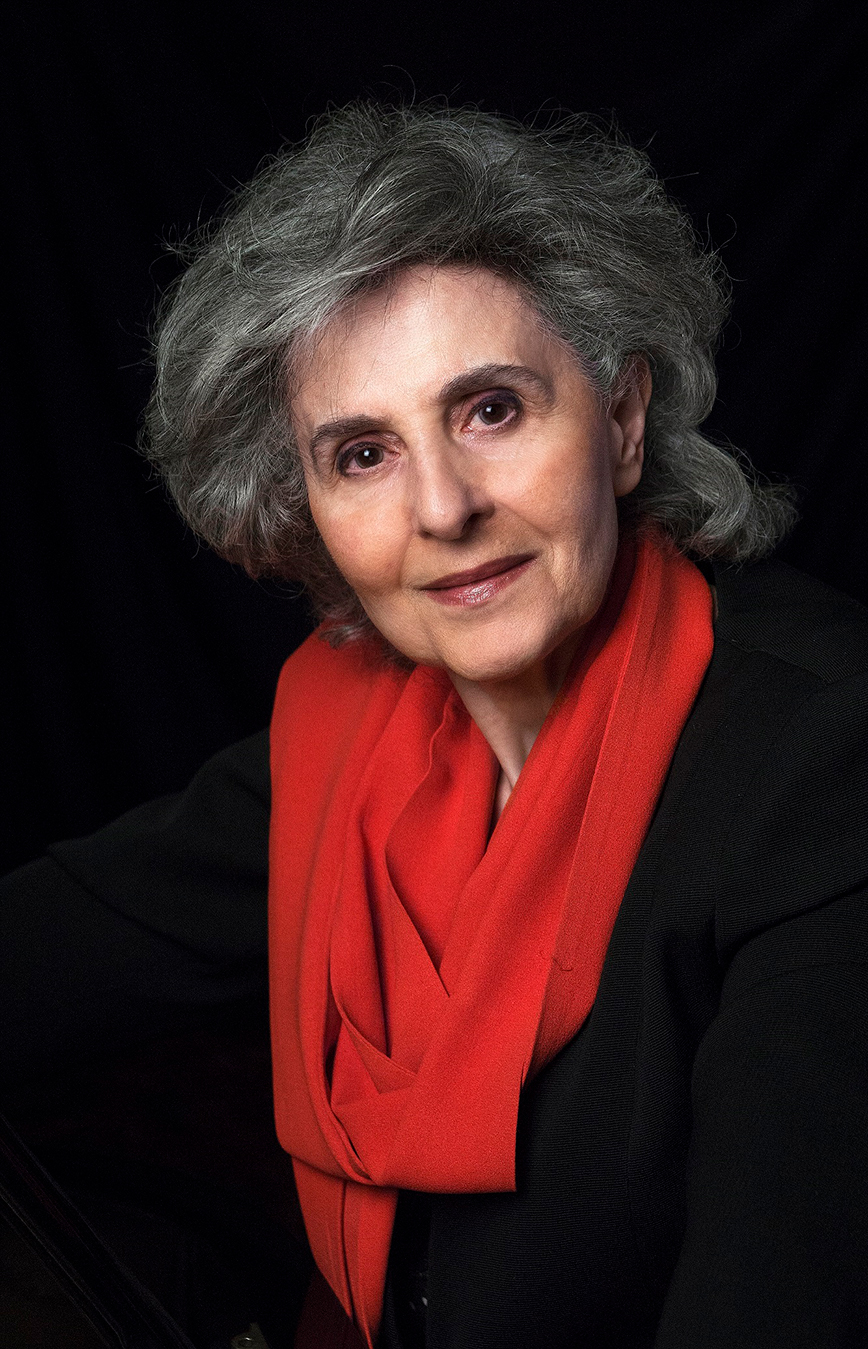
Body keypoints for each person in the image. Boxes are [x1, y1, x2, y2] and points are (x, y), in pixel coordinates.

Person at [4, 101, 868, 1349]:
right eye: (362, 454)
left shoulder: (820, 758)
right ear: (303, 506)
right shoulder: (344, 741)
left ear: (622, 419)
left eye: (491, 410)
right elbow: (49, 946)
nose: (444, 508)